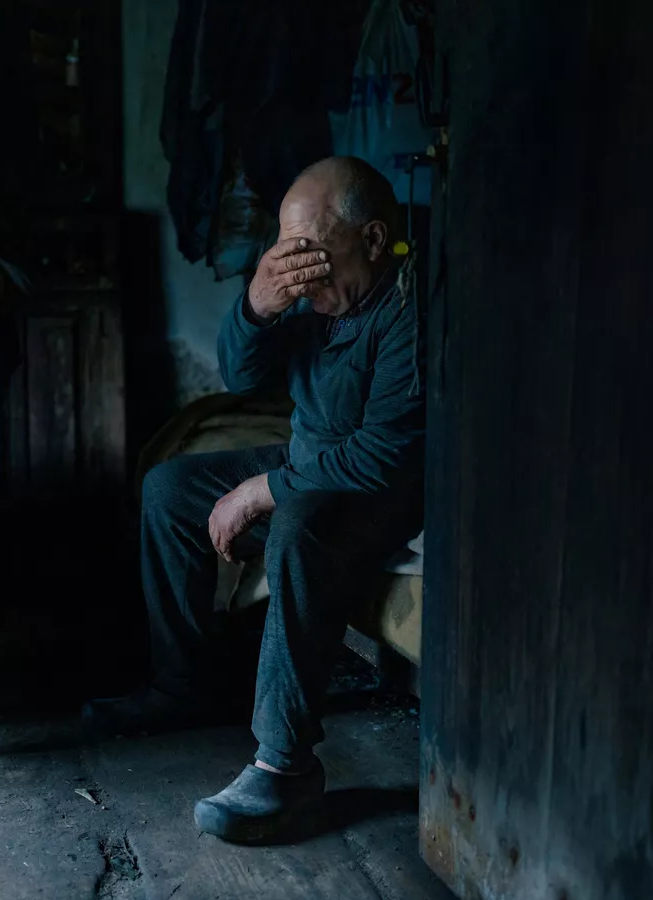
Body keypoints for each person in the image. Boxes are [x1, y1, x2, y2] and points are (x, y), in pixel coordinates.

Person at [83, 157, 425, 844]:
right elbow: (240, 377)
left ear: (372, 239)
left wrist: (261, 491)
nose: (302, 274)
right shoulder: (312, 294)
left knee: (297, 525)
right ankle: (181, 688)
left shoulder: (406, 306)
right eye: (290, 254)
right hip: (309, 462)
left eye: (314, 254)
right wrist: (256, 307)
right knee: (169, 488)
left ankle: (285, 769)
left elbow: (382, 456)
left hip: (378, 488)